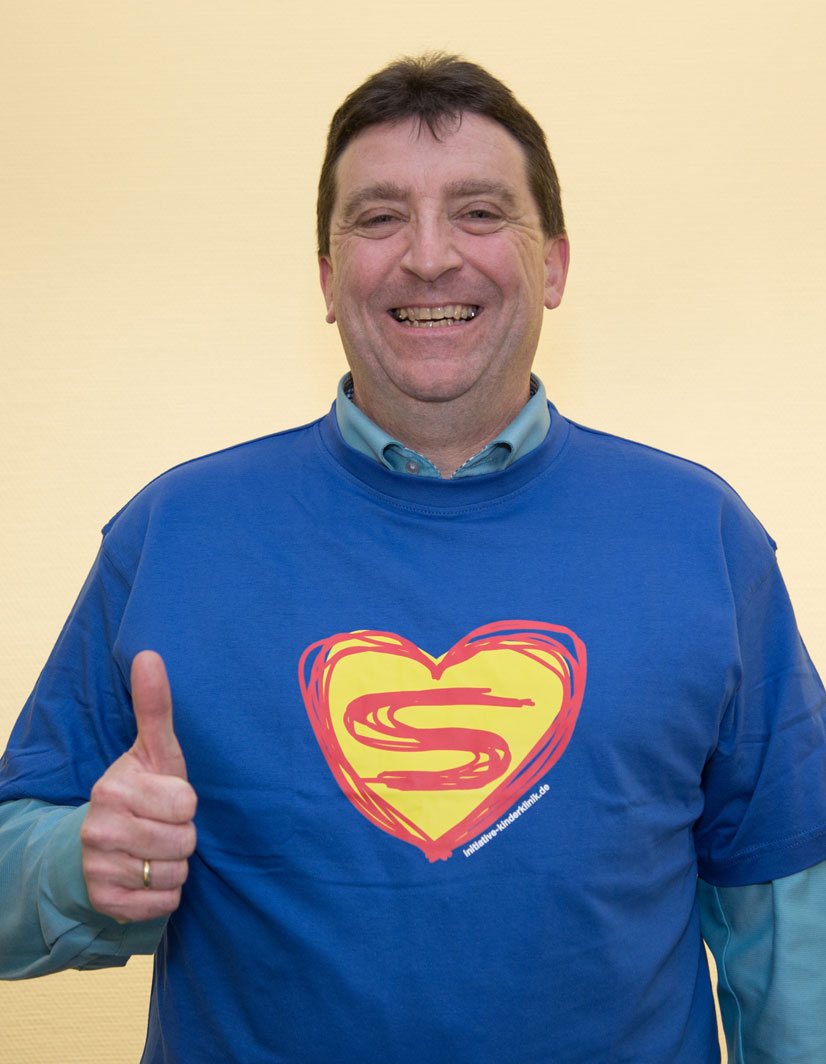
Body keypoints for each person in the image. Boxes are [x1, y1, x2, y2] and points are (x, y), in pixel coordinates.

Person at [1, 52, 825, 1064]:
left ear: (554, 264)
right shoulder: (171, 533)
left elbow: (787, 915)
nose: (429, 258)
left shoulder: (702, 535)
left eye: (479, 213)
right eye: (380, 217)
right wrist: (73, 863)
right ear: (325, 276)